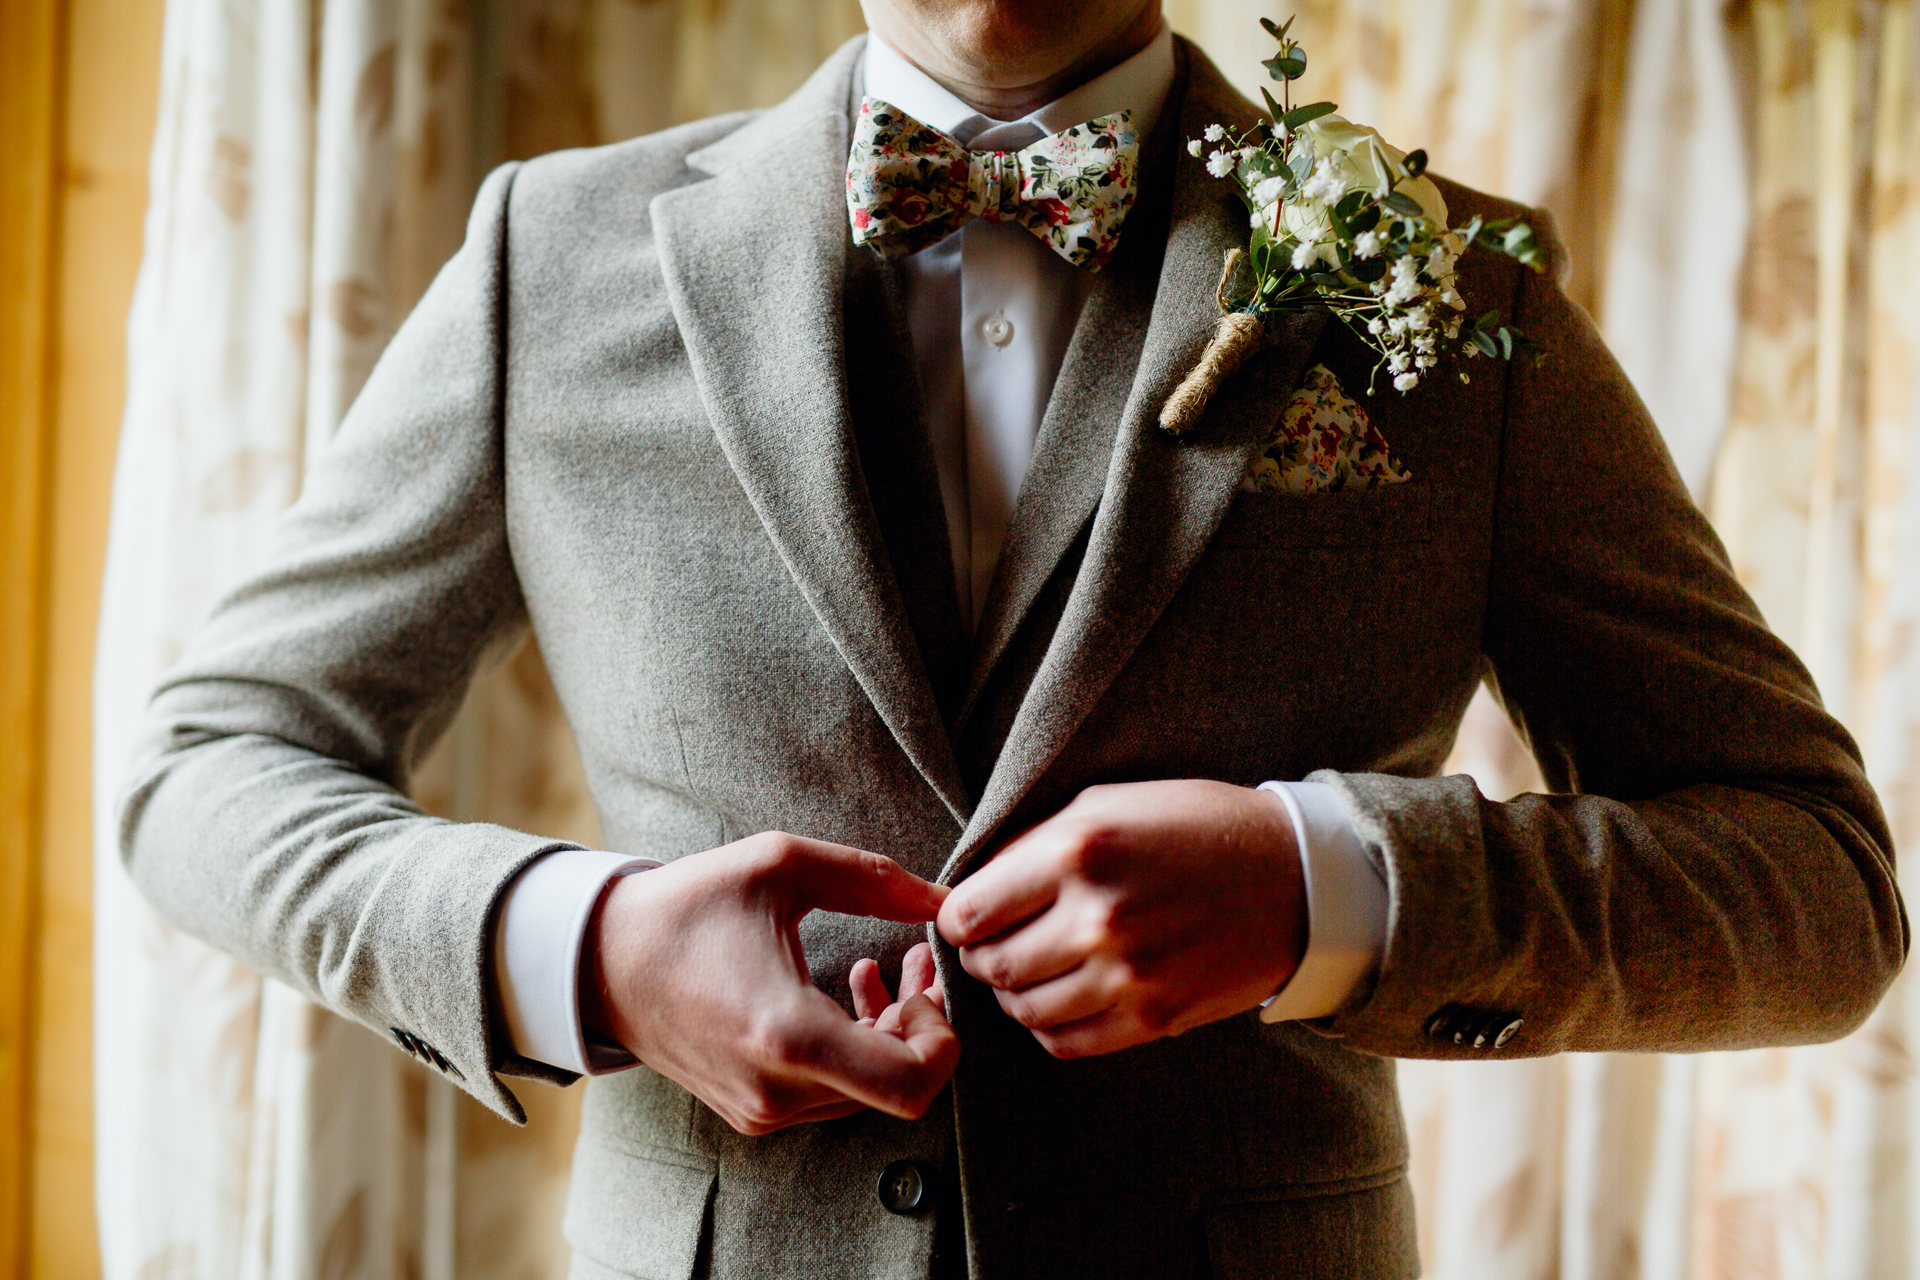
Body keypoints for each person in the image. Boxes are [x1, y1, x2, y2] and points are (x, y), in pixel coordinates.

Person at [119, 1, 1906, 1277]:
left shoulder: (1448, 289)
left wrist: (1326, 889)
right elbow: (206, 767)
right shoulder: (551, 258)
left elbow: (1820, 891)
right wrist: (585, 949)